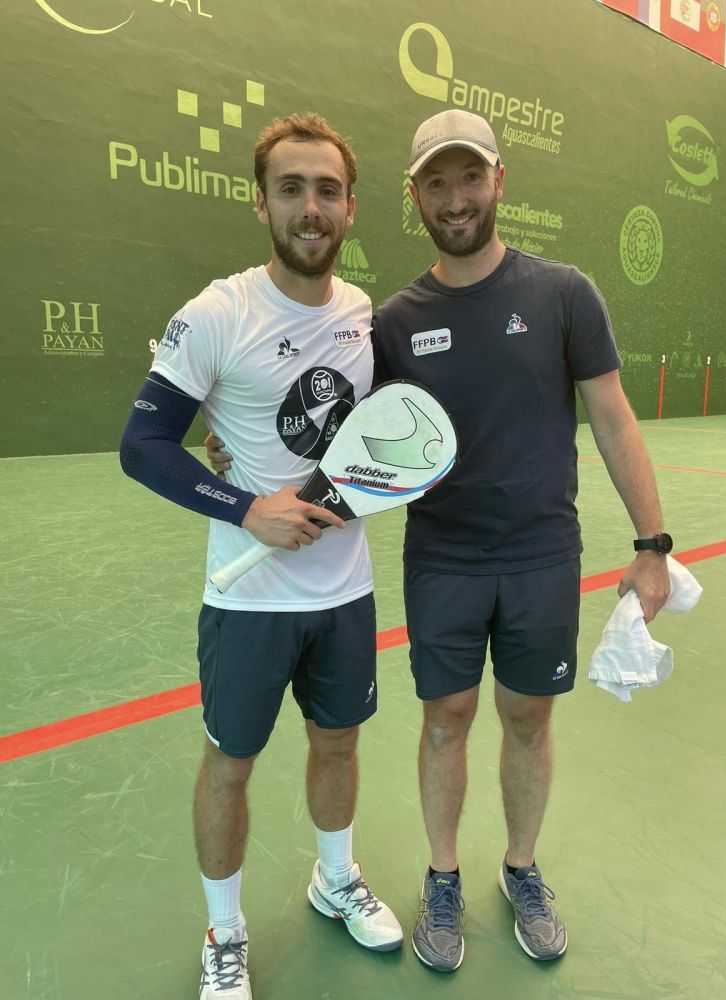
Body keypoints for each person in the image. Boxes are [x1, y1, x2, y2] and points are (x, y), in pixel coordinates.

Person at [206, 109, 672, 974]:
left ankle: (523, 870)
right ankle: (445, 877)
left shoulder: (564, 292)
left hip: (542, 555)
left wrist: (652, 542)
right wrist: (233, 444)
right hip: (445, 560)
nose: (455, 199)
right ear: (414, 196)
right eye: (436, 183)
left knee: (528, 720)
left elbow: (611, 414)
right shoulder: (390, 321)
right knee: (445, 722)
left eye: (470, 178)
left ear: (499, 181)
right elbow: (337, 422)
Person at [120, 113, 403, 1000]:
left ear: (351, 207)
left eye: (327, 190)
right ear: (261, 203)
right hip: (245, 604)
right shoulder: (218, 312)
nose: (310, 207)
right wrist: (248, 506)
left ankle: (334, 877)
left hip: (346, 592)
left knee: (339, 743)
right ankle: (225, 931)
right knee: (230, 766)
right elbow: (143, 445)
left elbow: (386, 436)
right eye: (292, 189)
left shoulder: (366, 316)